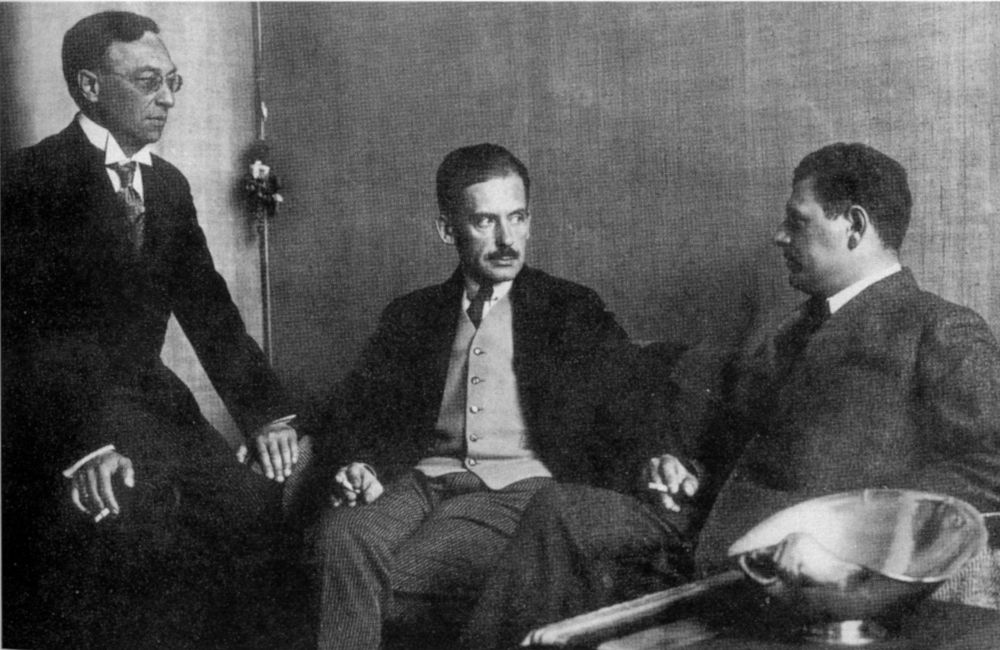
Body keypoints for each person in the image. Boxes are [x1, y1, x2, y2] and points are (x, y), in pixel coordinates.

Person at [459, 142, 1000, 649]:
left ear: (854, 226)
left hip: (799, 575)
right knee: (560, 510)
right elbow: (735, 441)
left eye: (797, 221)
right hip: (706, 533)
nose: (780, 237)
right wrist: (684, 471)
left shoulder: (937, 329)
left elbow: (992, 467)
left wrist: (859, 528)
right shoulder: (793, 329)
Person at [1, 11, 303, 648]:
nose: (167, 97)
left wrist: (267, 416)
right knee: (142, 525)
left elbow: (210, 313)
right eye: (147, 81)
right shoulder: (27, 180)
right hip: (62, 413)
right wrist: (84, 446)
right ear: (89, 86)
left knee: (251, 504)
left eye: (173, 81)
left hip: (155, 405)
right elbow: (22, 339)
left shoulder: (167, 186)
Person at [310, 143, 684, 650]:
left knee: (399, 572)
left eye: (517, 218)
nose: (507, 240)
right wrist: (360, 464)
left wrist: (658, 455)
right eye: (485, 221)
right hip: (420, 478)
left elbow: (635, 393)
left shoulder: (570, 308)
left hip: (518, 489)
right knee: (340, 537)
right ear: (447, 230)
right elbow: (356, 406)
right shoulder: (412, 314)